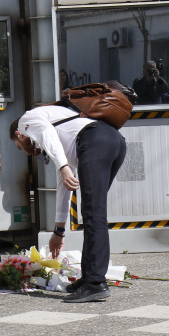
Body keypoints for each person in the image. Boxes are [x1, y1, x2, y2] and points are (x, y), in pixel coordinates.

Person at [9, 106, 126, 303]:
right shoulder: (61, 136)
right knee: (92, 212)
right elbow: (64, 185)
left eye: (20, 147)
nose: (27, 153)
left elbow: (48, 135)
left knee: (93, 214)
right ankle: (89, 278)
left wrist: (63, 167)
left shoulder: (26, 120)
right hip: (114, 142)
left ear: (18, 134)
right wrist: (59, 231)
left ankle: (96, 284)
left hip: (95, 141)